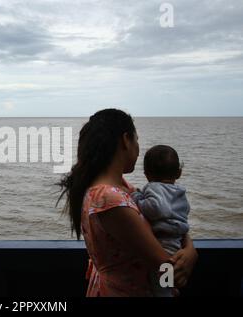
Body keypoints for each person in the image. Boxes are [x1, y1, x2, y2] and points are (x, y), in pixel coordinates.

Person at [57, 108, 197, 297]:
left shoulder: (116, 187)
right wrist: (190, 255)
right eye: (136, 140)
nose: (138, 148)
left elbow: (168, 220)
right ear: (125, 140)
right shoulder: (110, 199)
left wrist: (189, 246)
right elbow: (167, 267)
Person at [131, 145, 190, 297]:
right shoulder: (180, 192)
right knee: (164, 279)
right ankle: (169, 289)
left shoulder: (153, 187)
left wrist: (137, 198)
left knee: (159, 282)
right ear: (179, 173)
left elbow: (156, 208)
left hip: (162, 241)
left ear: (146, 174)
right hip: (176, 241)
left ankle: (167, 292)